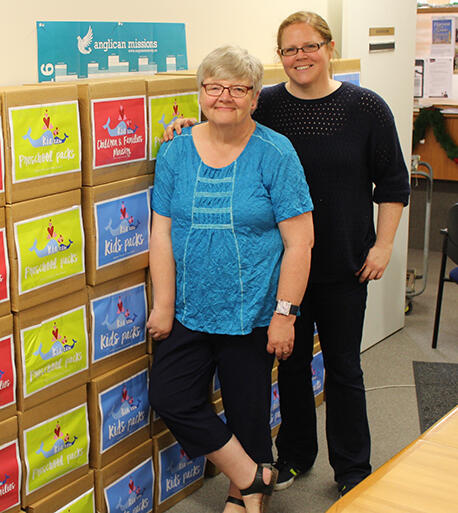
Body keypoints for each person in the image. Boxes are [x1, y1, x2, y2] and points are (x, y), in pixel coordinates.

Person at [163, 11, 411, 498]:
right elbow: (226, 120)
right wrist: (182, 125)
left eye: (309, 46)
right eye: (290, 49)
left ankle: (351, 468)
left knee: (342, 367)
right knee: (291, 367)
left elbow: (394, 183)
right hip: (280, 272)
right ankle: (295, 457)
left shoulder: (366, 107)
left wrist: (383, 246)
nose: (300, 57)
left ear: (329, 47)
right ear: (279, 58)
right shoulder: (268, 101)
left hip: (343, 263)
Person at [148, 45, 314, 513]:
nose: (225, 96)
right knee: (170, 396)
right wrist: (163, 304)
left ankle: (244, 500)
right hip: (190, 307)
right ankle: (252, 475)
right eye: (214, 86)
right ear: (200, 93)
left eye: (238, 88)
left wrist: (286, 314)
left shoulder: (275, 153)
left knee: (248, 412)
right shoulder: (175, 152)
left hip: (254, 309)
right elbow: (161, 233)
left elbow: (300, 242)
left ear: (255, 98)